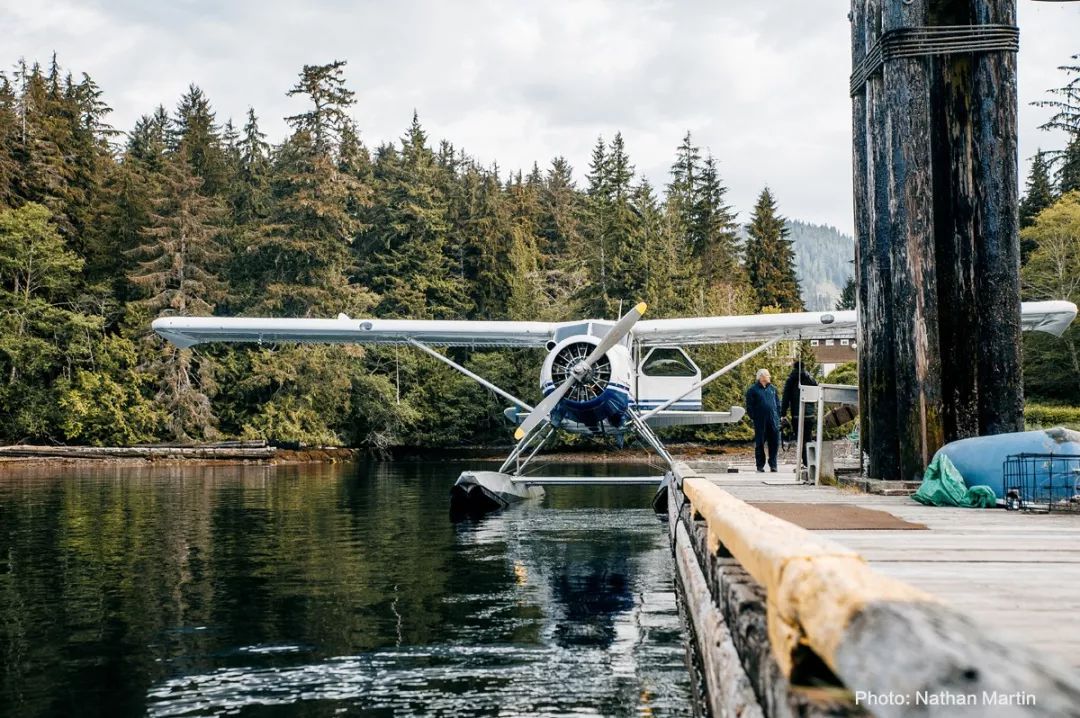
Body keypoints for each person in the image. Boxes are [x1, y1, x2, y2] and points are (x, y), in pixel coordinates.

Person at [781, 360, 818, 465]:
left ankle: (804, 461)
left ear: (794, 367)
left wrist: (783, 413)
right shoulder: (810, 379)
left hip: (797, 415)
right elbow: (817, 391)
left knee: (800, 439)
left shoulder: (791, 380)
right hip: (809, 414)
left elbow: (785, 398)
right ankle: (810, 461)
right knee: (808, 437)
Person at [745, 368, 781, 472]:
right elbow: (749, 406)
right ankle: (760, 465)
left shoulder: (773, 389)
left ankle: (773, 464)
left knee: (774, 443)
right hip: (760, 421)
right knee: (760, 443)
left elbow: (778, 403)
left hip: (773, 420)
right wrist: (754, 417)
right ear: (761, 377)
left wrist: (778, 416)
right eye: (767, 375)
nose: (769, 377)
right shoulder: (752, 390)